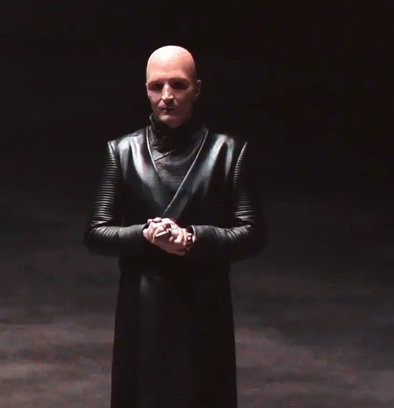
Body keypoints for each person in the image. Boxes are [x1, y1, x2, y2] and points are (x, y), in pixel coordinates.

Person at [84, 45, 265, 408]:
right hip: (143, 307)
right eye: (157, 86)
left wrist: (192, 239)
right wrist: (145, 235)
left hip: (205, 306)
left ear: (197, 88)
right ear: (146, 90)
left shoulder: (228, 152)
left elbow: (252, 234)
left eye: (178, 85)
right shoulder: (122, 152)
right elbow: (96, 232)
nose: (166, 96)